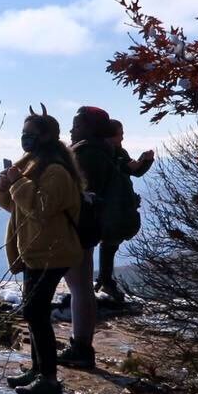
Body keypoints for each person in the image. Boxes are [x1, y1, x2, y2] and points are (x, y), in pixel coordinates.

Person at [0, 108, 83, 394]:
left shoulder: (56, 171)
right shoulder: (34, 165)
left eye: (31, 132)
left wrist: (18, 182)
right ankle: (37, 371)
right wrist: (7, 185)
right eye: (24, 131)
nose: (25, 137)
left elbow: (41, 209)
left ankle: (49, 380)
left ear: (47, 136)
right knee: (34, 313)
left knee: (35, 313)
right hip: (36, 252)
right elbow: (17, 207)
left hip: (53, 253)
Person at [57, 106, 115, 370]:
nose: (72, 129)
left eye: (77, 125)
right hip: (90, 225)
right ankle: (81, 344)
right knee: (82, 286)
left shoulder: (86, 153)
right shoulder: (103, 151)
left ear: (89, 128)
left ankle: (81, 346)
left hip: (78, 226)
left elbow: (77, 190)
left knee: (79, 286)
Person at [95, 120, 154, 303]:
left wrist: (146, 161)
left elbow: (134, 171)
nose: (122, 137)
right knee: (109, 242)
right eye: (119, 133)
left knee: (111, 244)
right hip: (111, 207)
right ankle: (105, 280)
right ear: (109, 136)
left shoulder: (119, 152)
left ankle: (105, 279)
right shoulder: (104, 154)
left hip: (121, 205)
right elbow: (123, 169)